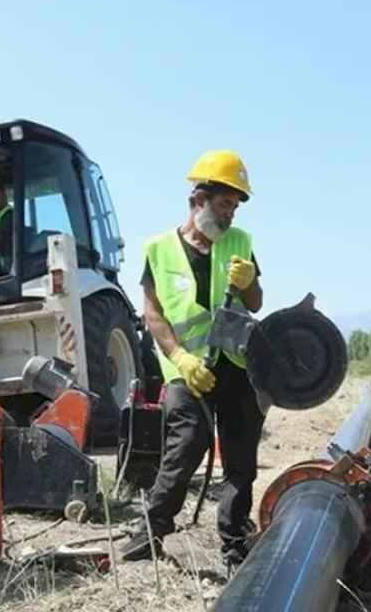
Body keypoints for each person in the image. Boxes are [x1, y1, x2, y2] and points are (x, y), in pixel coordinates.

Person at [120, 149, 264, 571]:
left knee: (241, 458)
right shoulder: (159, 249)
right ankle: (150, 533)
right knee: (187, 443)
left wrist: (250, 282)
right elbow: (152, 312)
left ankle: (235, 545)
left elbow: (255, 303)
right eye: (224, 205)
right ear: (198, 200)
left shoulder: (240, 243)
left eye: (235, 207)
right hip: (186, 368)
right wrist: (180, 358)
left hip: (235, 364)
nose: (230, 215)